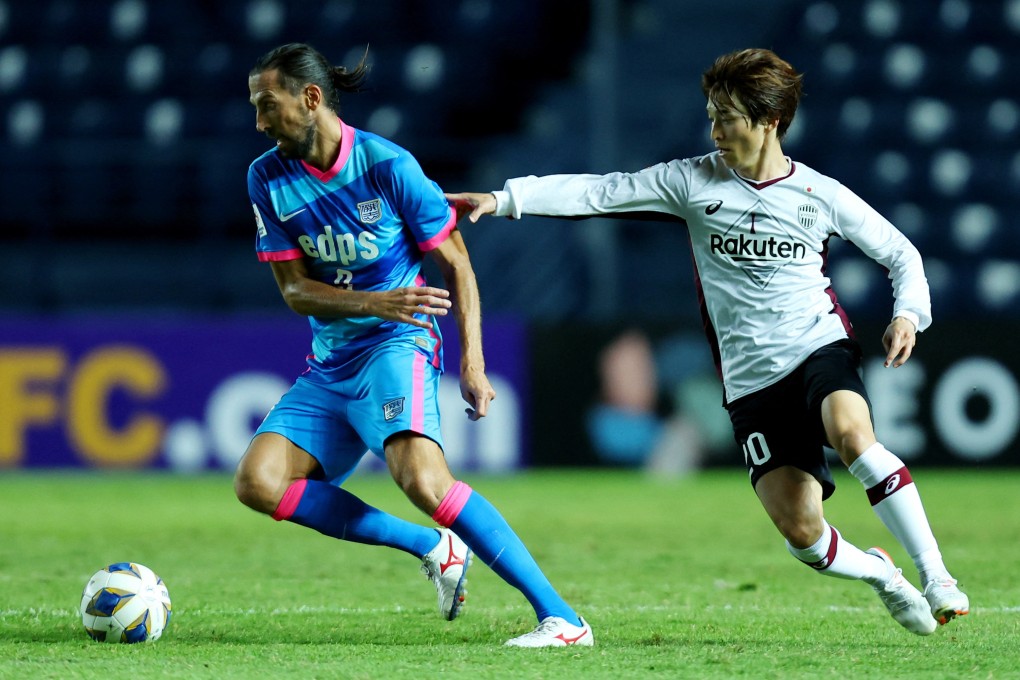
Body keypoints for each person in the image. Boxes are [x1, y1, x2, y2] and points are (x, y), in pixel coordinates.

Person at [448, 48, 969, 636]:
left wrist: (909, 315)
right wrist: (505, 199)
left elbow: (901, 253)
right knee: (803, 534)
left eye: (728, 117)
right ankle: (883, 575)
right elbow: (602, 192)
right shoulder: (692, 181)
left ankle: (936, 575)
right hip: (749, 381)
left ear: (769, 120)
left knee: (853, 436)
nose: (715, 130)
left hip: (818, 347)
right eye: (712, 115)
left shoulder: (820, 194)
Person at [234, 42, 592, 648]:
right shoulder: (266, 176)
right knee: (258, 482)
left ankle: (563, 620)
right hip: (331, 363)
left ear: (311, 99)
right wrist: (374, 300)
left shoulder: (387, 166)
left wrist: (474, 363)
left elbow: (457, 262)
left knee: (425, 482)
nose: (260, 122)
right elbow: (295, 290)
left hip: (399, 343)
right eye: (256, 108)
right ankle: (433, 547)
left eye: (268, 106)